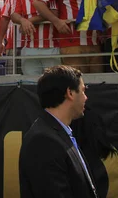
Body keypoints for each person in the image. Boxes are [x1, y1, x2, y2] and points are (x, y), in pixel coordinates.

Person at [19, 65, 98, 198]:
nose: (86, 98)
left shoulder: (59, 133)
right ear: (70, 93)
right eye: (83, 91)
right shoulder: (43, 141)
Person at [11, 0, 59, 76]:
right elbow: (14, 15)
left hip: (50, 47)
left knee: (53, 82)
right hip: (29, 49)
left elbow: (53, 13)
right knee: (31, 84)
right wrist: (23, 21)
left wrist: (30, 20)